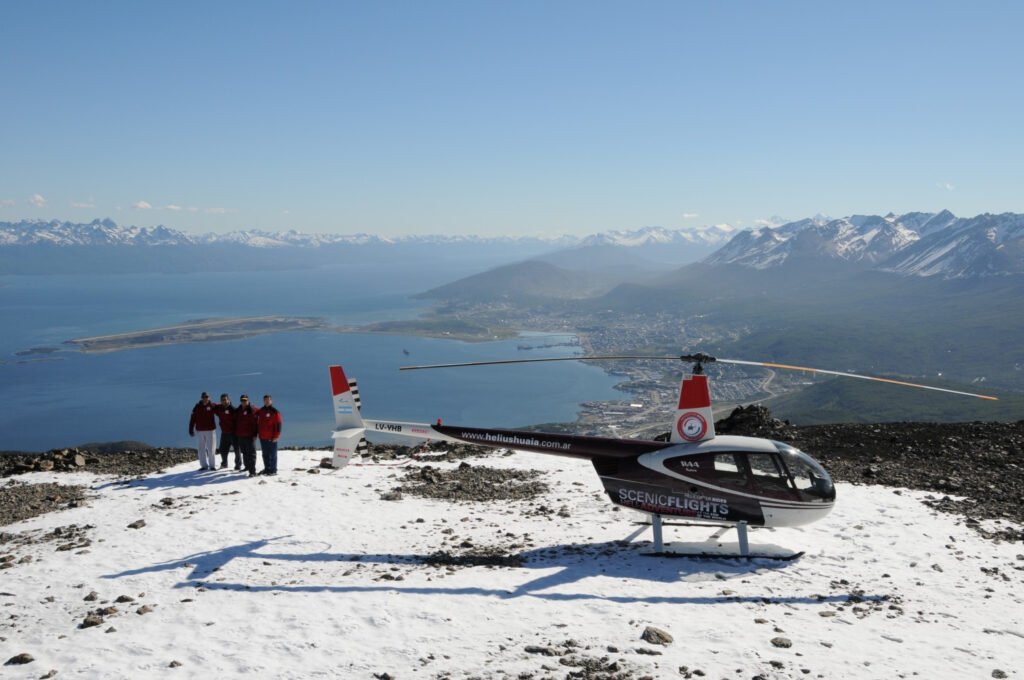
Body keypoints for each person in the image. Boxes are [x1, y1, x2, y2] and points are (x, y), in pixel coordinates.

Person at [188, 392, 217, 471]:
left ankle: (212, 465)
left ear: (209, 397)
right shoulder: (197, 407)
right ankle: (204, 465)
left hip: (210, 430)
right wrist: (190, 429)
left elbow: (221, 411)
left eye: (207, 397)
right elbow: (193, 418)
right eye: (204, 397)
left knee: (211, 448)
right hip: (200, 430)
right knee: (201, 449)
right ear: (201, 398)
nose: (205, 398)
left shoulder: (212, 406)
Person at [234, 395, 260, 477]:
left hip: (250, 435)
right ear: (240, 401)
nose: (244, 402)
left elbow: (258, 420)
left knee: (251, 453)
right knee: (244, 452)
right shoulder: (238, 410)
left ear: (248, 400)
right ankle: (247, 467)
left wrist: (256, 433)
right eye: (242, 400)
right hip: (241, 435)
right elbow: (235, 421)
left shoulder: (253, 409)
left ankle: (252, 471)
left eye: (245, 400)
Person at [257, 394, 282, 476]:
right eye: (265, 400)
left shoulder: (275, 411)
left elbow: (278, 425)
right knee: (265, 454)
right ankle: (267, 469)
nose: (267, 401)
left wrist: (276, 436)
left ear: (271, 401)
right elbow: (258, 422)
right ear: (263, 401)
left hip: (272, 437)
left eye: (268, 400)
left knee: (273, 455)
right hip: (262, 437)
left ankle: (273, 470)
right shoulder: (261, 411)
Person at [213, 393, 239, 470]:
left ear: (228, 400)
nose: (224, 401)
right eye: (222, 400)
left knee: (237, 450)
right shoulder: (220, 408)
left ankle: (238, 465)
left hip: (233, 433)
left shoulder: (233, 409)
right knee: (222, 449)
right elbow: (213, 407)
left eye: (225, 399)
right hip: (224, 433)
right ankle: (224, 464)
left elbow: (238, 421)